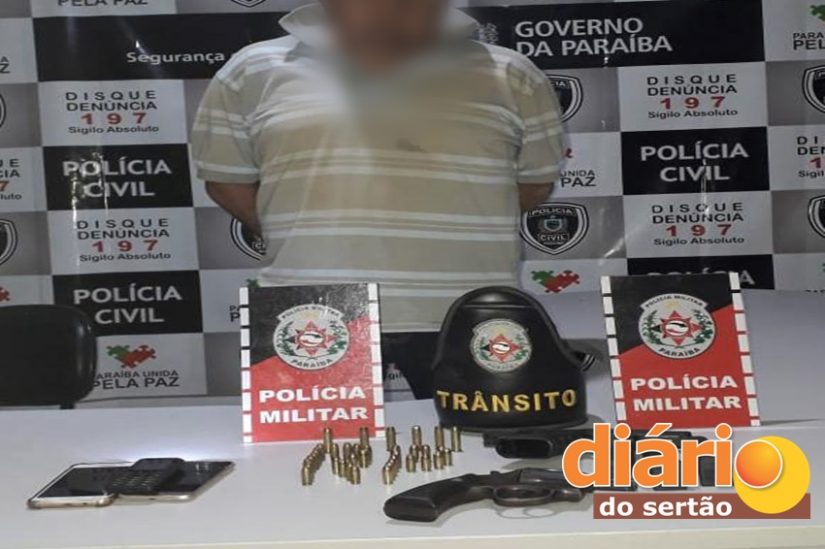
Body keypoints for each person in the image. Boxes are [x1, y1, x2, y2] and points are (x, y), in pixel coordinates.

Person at [191, 0, 564, 398]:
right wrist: (303, 235)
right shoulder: (252, 69)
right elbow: (227, 181)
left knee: (487, 437)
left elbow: (533, 185)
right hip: (310, 312)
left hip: (470, 309)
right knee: (314, 441)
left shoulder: (511, 73)